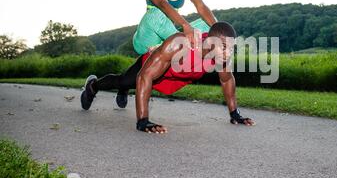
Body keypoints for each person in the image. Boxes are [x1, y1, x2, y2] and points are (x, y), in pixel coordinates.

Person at [81, 22, 255, 134]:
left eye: (231, 48)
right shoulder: (181, 43)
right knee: (125, 80)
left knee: (131, 83)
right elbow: (145, 75)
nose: (228, 53)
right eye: (224, 47)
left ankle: (125, 88)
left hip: (173, 79)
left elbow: (227, 80)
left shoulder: (222, 57)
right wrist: (143, 120)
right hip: (150, 70)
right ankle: (93, 86)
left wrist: (235, 114)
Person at [113, 0, 218, 108]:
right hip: (150, 33)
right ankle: (180, 44)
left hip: (170, 34)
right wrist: (185, 27)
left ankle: (116, 86)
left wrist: (218, 31)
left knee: (211, 24)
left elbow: (201, 7)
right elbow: (161, 4)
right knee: (157, 15)